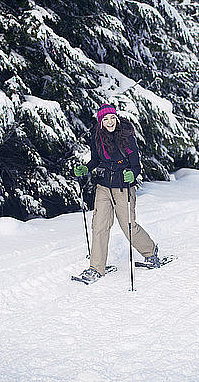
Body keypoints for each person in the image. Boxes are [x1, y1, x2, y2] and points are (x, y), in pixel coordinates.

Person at [73, 104, 161, 284]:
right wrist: (86, 168)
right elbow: (96, 160)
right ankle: (96, 267)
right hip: (104, 186)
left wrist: (132, 174)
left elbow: (136, 165)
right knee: (99, 225)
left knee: (128, 226)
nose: (110, 122)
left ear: (116, 117)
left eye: (112, 117)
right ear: (100, 122)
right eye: (105, 119)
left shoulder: (126, 137)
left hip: (123, 188)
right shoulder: (96, 137)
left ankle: (150, 252)